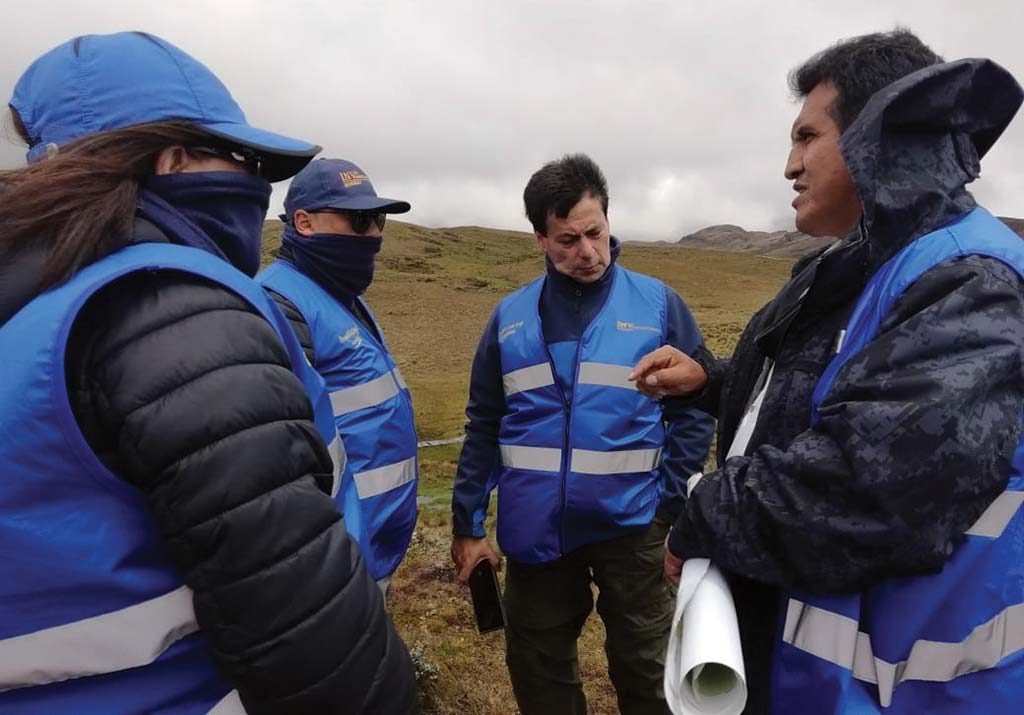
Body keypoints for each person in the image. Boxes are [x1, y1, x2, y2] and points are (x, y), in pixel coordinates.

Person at [0, 32, 416, 714]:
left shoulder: (34, 306)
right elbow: (321, 651)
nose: (255, 182)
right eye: (243, 158)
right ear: (173, 157)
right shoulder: (170, 307)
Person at [630, 30, 1024, 714]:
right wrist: (713, 381)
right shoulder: (863, 263)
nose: (790, 165)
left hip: (905, 691)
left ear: (881, 133)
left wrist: (706, 513)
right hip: (808, 676)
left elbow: (872, 478)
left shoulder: (970, 281)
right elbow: (829, 389)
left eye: (807, 137)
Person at [451, 153, 715, 715]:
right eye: (567, 239)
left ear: (608, 221)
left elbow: (695, 407)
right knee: (539, 668)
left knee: (647, 668)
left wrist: (669, 500)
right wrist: (467, 523)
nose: (587, 251)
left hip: (635, 524)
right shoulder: (509, 318)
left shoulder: (658, 304)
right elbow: (484, 424)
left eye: (595, 233)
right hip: (536, 529)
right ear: (540, 239)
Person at [258, 158, 418, 596]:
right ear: (304, 223)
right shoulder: (281, 307)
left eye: (379, 219)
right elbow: (280, 462)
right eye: (360, 220)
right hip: (335, 569)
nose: (375, 235)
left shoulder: (340, 295)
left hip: (368, 555)